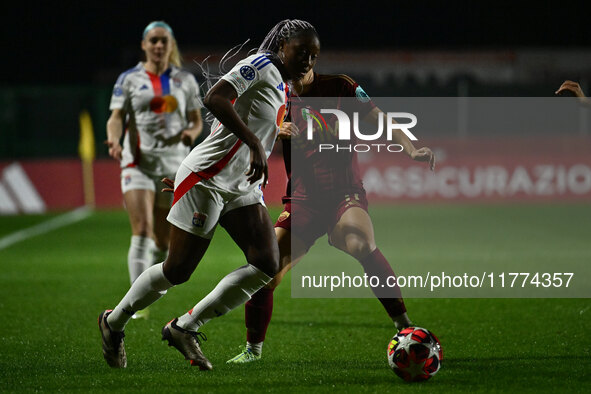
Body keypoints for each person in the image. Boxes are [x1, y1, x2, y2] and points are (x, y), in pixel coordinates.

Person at [98, 19, 321, 370]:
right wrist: (253, 142)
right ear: (282, 47)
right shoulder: (259, 66)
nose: (308, 60)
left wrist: (270, 134)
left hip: (242, 185)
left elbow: (266, 111)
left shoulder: (283, 84)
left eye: (314, 55)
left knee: (266, 262)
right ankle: (114, 322)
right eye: (302, 52)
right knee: (178, 269)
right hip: (207, 178)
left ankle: (185, 327)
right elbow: (215, 97)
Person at [226, 68, 435, 363]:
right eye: (294, 57)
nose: (301, 65)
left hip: (343, 193)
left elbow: (378, 117)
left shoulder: (341, 87)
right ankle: (252, 350)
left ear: (312, 58)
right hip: (302, 201)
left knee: (361, 242)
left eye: (307, 56)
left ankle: (404, 328)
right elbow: (245, 139)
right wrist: (275, 130)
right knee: (265, 272)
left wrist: (411, 149)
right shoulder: (275, 95)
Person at [106, 21, 203, 319]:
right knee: (143, 231)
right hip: (137, 163)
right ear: (144, 45)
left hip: (174, 165)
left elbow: (196, 121)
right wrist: (113, 140)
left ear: (170, 45)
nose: (159, 46)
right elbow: (116, 117)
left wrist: (191, 133)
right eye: (154, 41)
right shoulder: (129, 79)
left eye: (164, 41)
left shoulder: (185, 81)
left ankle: (147, 291)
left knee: (163, 242)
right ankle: (135, 308)